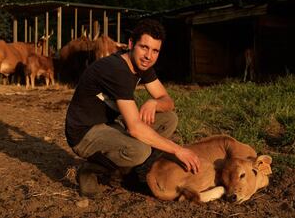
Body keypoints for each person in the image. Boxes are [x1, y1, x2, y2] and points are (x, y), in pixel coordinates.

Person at [65, 19, 200, 198]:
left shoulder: (143, 66)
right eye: (144, 47)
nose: (148, 56)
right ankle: (91, 170)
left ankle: (131, 172)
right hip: (84, 133)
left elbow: (167, 100)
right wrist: (178, 150)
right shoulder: (116, 69)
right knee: (139, 149)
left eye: (155, 51)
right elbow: (135, 128)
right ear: (130, 44)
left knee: (169, 118)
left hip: (109, 124)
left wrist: (154, 103)